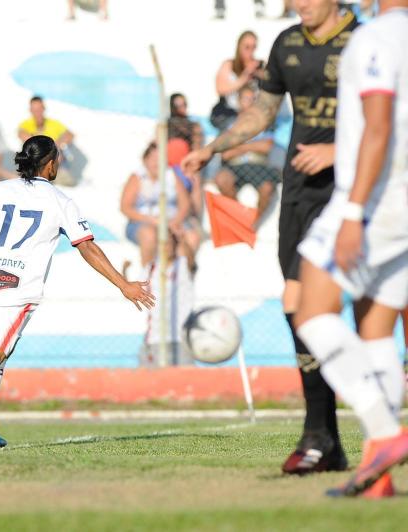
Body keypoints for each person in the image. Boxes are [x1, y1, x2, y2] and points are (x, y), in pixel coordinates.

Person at [183, 0, 359, 476]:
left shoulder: (364, 42)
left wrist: (335, 150)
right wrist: (213, 148)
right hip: (300, 192)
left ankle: (330, 433)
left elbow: (387, 120)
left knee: (346, 307)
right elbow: (262, 112)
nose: (299, 4)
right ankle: (324, 435)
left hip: (351, 188)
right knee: (295, 305)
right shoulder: (288, 44)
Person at [0, 135, 155, 447]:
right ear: (49, 164)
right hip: (18, 288)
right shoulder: (60, 201)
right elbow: (86, 247)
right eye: (57, 160)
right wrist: (123, 284)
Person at [294, 0, 408, 498]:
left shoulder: (375, 37)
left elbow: (378, 128)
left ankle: (384, 434)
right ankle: (378, 475)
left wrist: (355, 212)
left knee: (310, 311)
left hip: (377, 201)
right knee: (377, 328)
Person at [120, 142, 194, 268]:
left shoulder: (171, 175)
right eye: (153, 158)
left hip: (171, 222)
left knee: (189, 237)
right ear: (145, 160)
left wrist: (175, 222)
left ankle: (181, 275)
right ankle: (148, 276)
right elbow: (125, 208)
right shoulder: (137, 177)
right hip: (144, 222)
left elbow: (185, 203)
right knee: (149, 235)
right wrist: (153, 221)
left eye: (160, 159)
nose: (156, 163)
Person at [214, 86, 280, 222]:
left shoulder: (265, 123)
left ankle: (252, 223)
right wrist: (253, 146)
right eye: (246, 99)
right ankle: (240, 218)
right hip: (235, 166)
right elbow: (225, 154)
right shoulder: (229, 124)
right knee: (222, 179)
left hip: (258, 165)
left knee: (267, 188)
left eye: (252, 99)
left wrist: (239, 146)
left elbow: (266, 147)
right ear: (239, 101)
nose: (249, 102)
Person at [140, 227, 196, 367]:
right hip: (154, 337)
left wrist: (184, 241)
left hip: (179, 337)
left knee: (183, 381)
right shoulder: (151, 268)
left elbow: (192, 262)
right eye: (164, 243)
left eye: (170, 243)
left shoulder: (182, 265)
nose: (167, 247)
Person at [18, 96, 78, 186]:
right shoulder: (26, 124)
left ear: (44, 108)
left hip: (56, 164)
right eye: (34, 109)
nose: (37, 112)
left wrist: (56, 144)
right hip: (36, 165)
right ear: (30, 110)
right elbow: (22, 135)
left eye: (39, 109)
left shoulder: (53, 124)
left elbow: (70, 135)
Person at [215, 30, 266, 115]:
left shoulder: (260, 65)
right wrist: (244, 77)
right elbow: (220, 89)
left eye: (253, 47)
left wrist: (260, 74)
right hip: (229, 112)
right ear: (239, 46)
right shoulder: (229, 65)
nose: (251, 51)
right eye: (247, 47)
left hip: (253, 113)